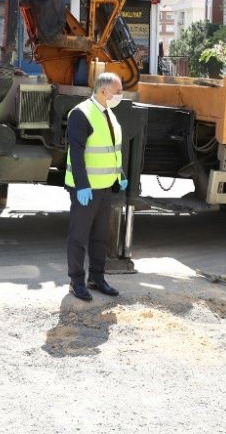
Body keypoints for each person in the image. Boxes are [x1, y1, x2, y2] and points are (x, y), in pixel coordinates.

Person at [64, 71, 127, 301]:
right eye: (118, 92)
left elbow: (111, 150)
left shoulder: (109, 113)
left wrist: (120, 175)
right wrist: (82, 185)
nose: (120, 96)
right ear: (103, 91)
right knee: (78, 236)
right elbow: (77, 154)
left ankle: (97, 278)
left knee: (100, 237)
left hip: (104, 187)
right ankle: (76, 282)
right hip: (86, 189)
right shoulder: (81, 114)